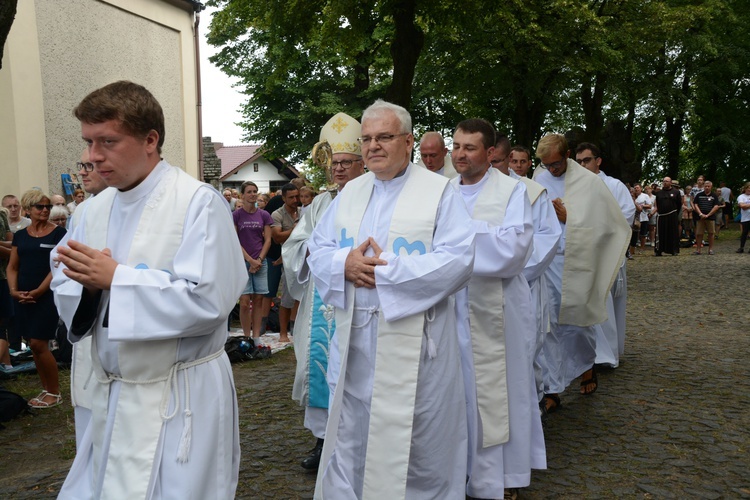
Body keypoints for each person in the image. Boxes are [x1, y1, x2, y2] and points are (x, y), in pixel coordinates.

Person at [51, 81, 246, 499]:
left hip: (181, 395)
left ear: (150, 140)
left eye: (107, 141)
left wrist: (116, 279)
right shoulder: (89, 211)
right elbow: (67, 281)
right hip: (115, 393)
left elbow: (209, 301)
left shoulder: (197, 202)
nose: (92, 156)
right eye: (88, 142)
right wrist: (92, 287)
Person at [307, 99, 475, 499]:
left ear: (408, 141)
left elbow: (459, 259)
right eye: (367, 139)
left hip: (416, 345)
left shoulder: (439, 192)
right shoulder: (349, 194)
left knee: (418, 441)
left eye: (384, 137)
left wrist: (385, 271)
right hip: (355, 343)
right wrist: (344, 264)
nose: (373, 146)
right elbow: (318, 248)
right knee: (351, 435)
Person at [450, 119, 541, 499]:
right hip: (453, 304)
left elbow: (511, 253)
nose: (459, 154)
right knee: (457, 392)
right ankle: (458, 473)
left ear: (490, 154)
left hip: (499, 308)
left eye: (470, 148)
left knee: (503, 389)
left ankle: (504, 477)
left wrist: (455, 242)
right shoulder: (441, 192)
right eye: (456, 146)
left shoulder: (512, 192)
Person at [282, 112, 366, 471]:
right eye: (335, 163)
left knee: (357, 372)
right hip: (323, 297)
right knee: (320, 369)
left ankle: (357, 443)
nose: (339, 170)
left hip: (360, 296)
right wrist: (319, 254)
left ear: (362, 164)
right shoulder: (320, 203)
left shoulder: (373, 197)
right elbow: (296, 244)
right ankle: (322, 441)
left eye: (347, 163)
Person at [532, 134, 630, 412]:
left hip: (579, 261)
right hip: (548, 261)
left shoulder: (590, 183)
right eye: (546, 164)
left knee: (578, 323)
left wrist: (569, 218)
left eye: (556, 163)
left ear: (568, 154)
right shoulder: (538, 180)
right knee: (548, 323)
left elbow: (609, 225)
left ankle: (587, 366)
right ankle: (552, 389)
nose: (552, 170)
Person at [575, 142, 635, 369]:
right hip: (581, 252)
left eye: (587, 160)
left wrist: (600, 228)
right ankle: (590, 350)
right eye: (579, 161)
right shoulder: (574, 185)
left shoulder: (614, 185)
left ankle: (608, 352)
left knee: (607, 302)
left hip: (606, 251)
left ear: (598, 161)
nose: (582, 165)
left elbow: (626, 214)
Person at [7, 190, 67, 408]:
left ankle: (54, 392)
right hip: (23, 296)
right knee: (33, 345)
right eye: (40, 207)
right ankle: (46, 389)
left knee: (40, 343)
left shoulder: (59, 234)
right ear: (28, 210)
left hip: (46, 295)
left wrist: (41, 290)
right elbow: (13, 266)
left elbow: (58, 267)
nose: (45, 211)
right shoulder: (21, 236)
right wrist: (13, 290)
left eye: (48, 207)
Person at [66, 149, 109, 449]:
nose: (82, 172)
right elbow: (64, 261)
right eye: (81, 165)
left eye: (89, 166)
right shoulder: (82, 211)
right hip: (87, 319)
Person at [234, 181, 273, 340]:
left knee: (258, 300)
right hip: (243, 262)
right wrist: (250, 260)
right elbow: (234, 241)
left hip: (260, 262)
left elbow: (268, 240)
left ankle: (256, 337)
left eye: (255, 191)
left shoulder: (264, 215)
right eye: (249, 191)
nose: (252, 194)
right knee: (244, 301)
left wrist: (259, 260)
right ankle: (246, 336)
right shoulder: (236, 215)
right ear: (242, 195)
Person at [271, 183, 300, 343]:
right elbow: (277, 237)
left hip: (305, 260)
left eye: (297, 196)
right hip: (288, 261)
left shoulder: (304, 212)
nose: (296, 200)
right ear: (283, 198)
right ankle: (283, 333)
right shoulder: (277, 214)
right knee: (287, 299)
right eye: (291, 197)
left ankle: (296, 329)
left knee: (301, 298)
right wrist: (296, 229)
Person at [692, 180, 719, 255]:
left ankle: (710, 249)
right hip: (700, 217)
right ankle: (698, 249)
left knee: (711, 233)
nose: (707, 188)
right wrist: (700, 214)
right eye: (705, 186)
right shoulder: (699, 195)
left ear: (711, 187)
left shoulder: (714, 196)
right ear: (704, 187)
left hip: (710, 217)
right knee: (699, 233)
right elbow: (695, 205)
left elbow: (716, 206)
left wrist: (708, 215)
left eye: (708, 186)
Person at [633, 184, 652, 251]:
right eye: (635, 188)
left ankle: (642, 247)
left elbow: (650, 206)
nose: (636, 189)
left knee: (643, 234)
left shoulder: (645, 196)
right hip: (634, 218)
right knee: (635, 233)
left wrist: (642, 206)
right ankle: (633, 247)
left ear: (641, 188)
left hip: (643, 217)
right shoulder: (632, 196)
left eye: (637, 188)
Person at [736, 182, 750, 253]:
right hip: (745, 218)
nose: (749, 190)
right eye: (748, 188)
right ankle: (741, 247)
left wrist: (746, 205)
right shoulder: (741, 196)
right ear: (745, 189)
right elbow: (742, 206)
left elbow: (745, 206)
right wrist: (745, 206)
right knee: (744, 233)